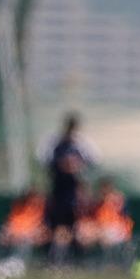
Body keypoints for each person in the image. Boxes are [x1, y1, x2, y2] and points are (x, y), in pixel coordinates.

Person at [44, 113, 93, 268]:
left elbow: (92, 161)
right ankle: (57, 261)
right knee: (60, 228)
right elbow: (47, 162)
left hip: (74, 194)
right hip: (60, 193)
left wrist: (79, 168)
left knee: (77, 229)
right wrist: (64, 165)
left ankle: (75, 261)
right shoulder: (56, 144)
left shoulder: (81, 144)